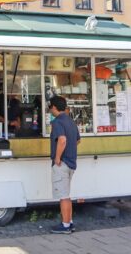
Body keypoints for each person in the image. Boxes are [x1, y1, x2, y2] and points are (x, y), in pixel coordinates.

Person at [49, 95, 80, 234]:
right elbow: (78, 140)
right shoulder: (71, 121)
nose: (50, 109)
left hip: (62, 163)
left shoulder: (57, 122)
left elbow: (62, 140)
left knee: (63, 196)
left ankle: (66, 225)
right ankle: (70, 221)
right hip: (72, 162)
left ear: (54, 107)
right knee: (66, 194)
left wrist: (57, 157)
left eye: (50, 107)